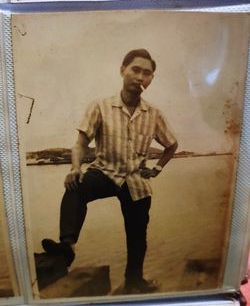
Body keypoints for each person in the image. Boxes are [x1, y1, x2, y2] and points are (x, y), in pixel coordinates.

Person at [42, 49, 178, 294]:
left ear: (151, 79)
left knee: (138, 233)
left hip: (136, 179)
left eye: (147, 73)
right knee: (75, 187)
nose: (140, 77)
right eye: (135, 70)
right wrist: (75, 168)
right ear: (122, 70)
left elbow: (171, 145)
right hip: (104, 172)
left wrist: (157, 169)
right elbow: (81, 143)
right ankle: (67, 246)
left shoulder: (154, 113)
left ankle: (134, 279)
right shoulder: (101, 106)